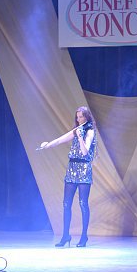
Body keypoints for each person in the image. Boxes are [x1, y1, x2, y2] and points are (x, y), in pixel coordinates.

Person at [39, 106, 97, 248]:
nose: (79, 119)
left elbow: (85, 152)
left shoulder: (90, 131)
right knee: (66, 204)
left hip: (84, 170)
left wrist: (80, 137)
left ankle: (84, 237)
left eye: (81, 117)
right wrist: (47, 145)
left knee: (83, 203)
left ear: (87, 117)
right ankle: (65, 236)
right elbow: (60, 140)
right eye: (77, 117)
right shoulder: (76, 130)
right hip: (72, 169)